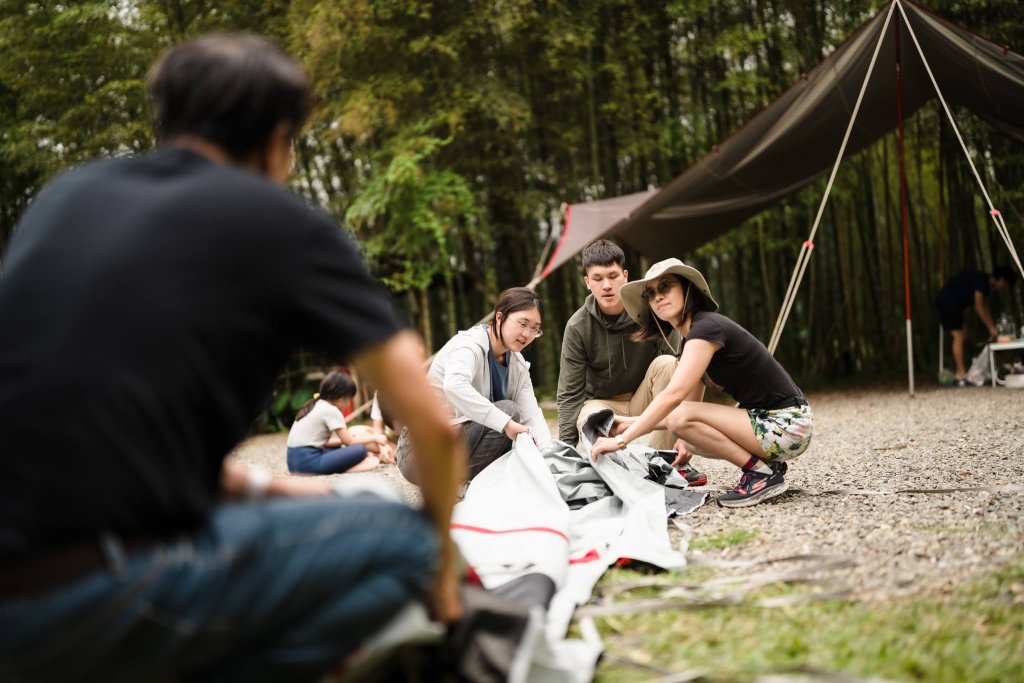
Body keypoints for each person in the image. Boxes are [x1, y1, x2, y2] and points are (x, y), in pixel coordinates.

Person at [0, 34, 463, 683]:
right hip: (98, 595)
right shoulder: (278, 221)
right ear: (278, 139)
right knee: (408, 541)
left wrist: (268, 486)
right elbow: (436, 428)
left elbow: (91, 434)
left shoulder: (66, 198)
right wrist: (443, 561)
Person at [589, 258, 813, 508]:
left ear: (687, 289)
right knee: (686, 435)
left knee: (679, 419)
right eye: (650, 293)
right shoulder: (693, 339)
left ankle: (760, 474)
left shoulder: (706, 328)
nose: (657, 297)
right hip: (771, 424)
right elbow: (686, 412)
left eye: (665, 286)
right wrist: (627, 423)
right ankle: (766, 466)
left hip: (788, 425)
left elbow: (675, 396)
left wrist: (622, 440)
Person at [556, 241, 706, 484]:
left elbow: (685, 366)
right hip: (603, 404)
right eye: (597, 278)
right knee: (589, 416)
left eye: (613, 276)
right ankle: (613, 472)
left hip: (644, 397)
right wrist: (565, 453)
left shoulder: (652, 310)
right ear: (587, 282)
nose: (606, 285)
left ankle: (668, 461)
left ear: (625, 276)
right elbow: (570, 393)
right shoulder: (577, 326)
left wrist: (686, 434)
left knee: (669, 364)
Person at [397, 287, 552, 484]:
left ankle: (456, 483)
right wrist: (505, 424)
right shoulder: (469, 346)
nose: (527, 334)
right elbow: (454, 385)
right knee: (508, 412)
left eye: (534, 329)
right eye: (522, 323)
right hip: (417, 452)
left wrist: (549, 457)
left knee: (516, 432)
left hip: (454, 451)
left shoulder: (518, 365)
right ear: (499, 317)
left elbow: (532, 414)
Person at [287, 370, 394, 474]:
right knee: (360, 449)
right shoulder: (331, 410)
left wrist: (342, 441)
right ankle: (345, 468)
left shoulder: (315, 405)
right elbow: (350, 442)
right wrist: (375, 437)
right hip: (308, 462)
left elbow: (325, 443)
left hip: (294, 463)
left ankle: (347, 464)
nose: (348, 404)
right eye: (349, 400)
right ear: (342, 398)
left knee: (341, 448)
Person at [936, 266, 1019, 385]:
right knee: (958, 336)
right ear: (1001, 280)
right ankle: (960, 374)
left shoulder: (985, 284)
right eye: (1004, 285)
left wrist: (993, 328)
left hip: (954, 304)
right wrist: (991, 328)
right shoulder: (981, 282)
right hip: (948, 302)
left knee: (962, 335)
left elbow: (985, 308)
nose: (1002, 288)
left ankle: (962, 372)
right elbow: (978, 306)